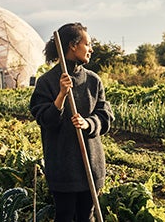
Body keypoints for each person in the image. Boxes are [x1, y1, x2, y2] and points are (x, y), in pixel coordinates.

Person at [29, 22, 114, 221]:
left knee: (87, 216)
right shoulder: (47, 82)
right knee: (65, 216)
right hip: (63, 167)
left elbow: (105, 115)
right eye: (87, 44)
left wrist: (88, 123)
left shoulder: (93, 81)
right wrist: (61, 95)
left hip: (90, 166)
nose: (91, 49)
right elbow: (45, 119)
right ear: (73, 45)